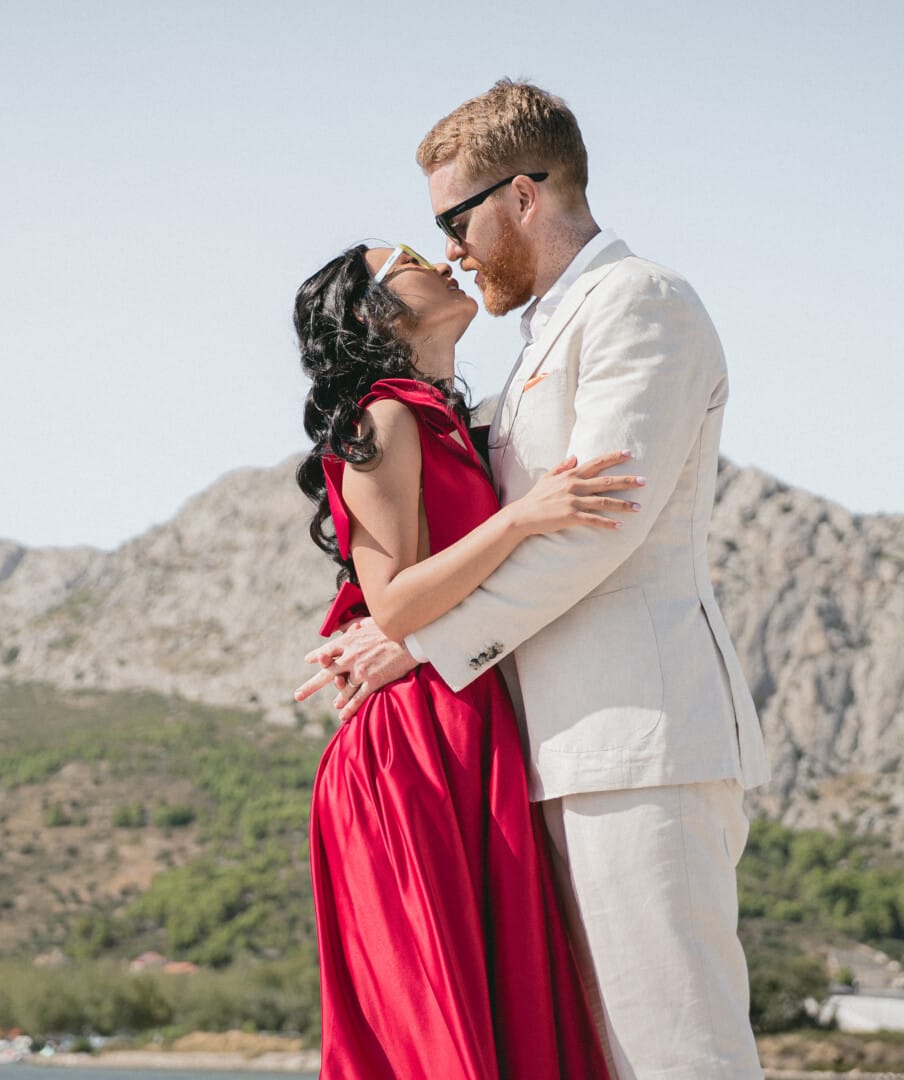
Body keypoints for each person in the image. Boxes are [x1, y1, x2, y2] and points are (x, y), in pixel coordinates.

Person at [295, 81, 774, 1079]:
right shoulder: (523, 349)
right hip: (531, 759)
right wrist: (401, 623)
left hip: (630, 743)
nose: (450, 250)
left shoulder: (639, 301)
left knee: (674, 1052)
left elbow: (599, 528)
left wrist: (418, 640)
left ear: (523, 194)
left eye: (452, 222)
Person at [294, 238, 631, 1078]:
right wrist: (523, 519)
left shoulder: (435, 415)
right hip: (410, 748)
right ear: (377, 311)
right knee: (441, 1039)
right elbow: (396, 601)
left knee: (496, 1020)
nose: (441, 259)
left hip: (461, 721)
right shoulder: (382, 416)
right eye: (407, 256)